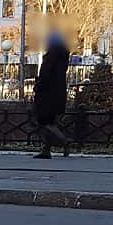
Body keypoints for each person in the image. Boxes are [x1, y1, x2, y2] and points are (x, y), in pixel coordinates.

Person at [32, 30, 71, 158]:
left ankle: (64, 140)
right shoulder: (63, 56)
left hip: (47, 93)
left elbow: (45, 74)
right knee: (51, 121)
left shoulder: (51, 56)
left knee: (44, 122)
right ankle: (46, 150)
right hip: (59, 92)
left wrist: (38, 86)